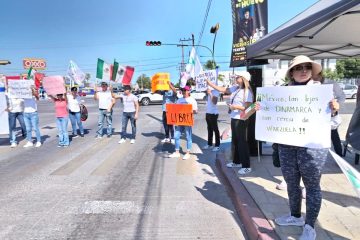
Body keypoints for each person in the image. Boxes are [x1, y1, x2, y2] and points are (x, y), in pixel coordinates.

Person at [274, 55, 339, 240]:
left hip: (312, 149)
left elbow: (333, 121)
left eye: (307, 67)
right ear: (291, 72)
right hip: (287, 146)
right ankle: (295, 216)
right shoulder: (282, 92)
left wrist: (334, 108)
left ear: (312, 71)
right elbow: (269, 112)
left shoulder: (322, 92)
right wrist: (262, 107)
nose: (303, 71)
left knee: (312, 186)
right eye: (298, 68)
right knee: (292, 184)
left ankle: (310, 226)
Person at [207, 71, 254, 175]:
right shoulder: (236, 88)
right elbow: (223, 89)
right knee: (236, 141)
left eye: (238, 76)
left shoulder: (247, 92)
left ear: (243, 78)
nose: (236, 77)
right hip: (234, 118)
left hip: (241, 119)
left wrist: (235, 107)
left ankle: (246, 166)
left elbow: (248, 108)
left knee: (242, 142)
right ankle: (237, 161)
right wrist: (210, 83)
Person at [313, 71, 346, 156]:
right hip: (315, 116)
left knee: (334, 136)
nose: (312, 78)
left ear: (320, 74)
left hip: (330, 115)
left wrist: (335, 105)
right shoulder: (310, 84)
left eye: (314, 75)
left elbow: (342, 96)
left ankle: (339, 155)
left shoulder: (332, 83)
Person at [169, 86, 198, 160]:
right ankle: (177, 152)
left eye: (185, 90)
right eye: (182, 90)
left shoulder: (192, 100)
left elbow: (196, 111)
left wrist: (190, 109)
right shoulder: (180, 100)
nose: (184, 92)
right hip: (180, 121)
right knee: (176, 136)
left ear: (188, 91)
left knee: (188, 137)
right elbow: (176, 110)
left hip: (188, 121)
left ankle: (188, 153)